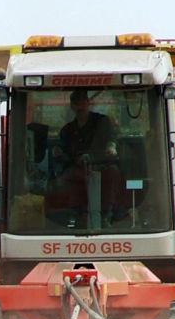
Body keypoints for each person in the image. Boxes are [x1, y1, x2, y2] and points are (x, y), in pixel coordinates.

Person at [47, 88, 126, 226]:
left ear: (88, 103)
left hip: (103, 166)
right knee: (63, 180)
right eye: (77, 103)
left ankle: (107, 215)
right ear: (72, 106)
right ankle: (75, 216)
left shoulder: (103, 122)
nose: (81, 106)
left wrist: (111, 147)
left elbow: (111, 139)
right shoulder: (67, 130)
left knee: (112, 174)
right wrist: (58, 151)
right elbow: (62, 151)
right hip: (78, 169)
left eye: (83, 102)